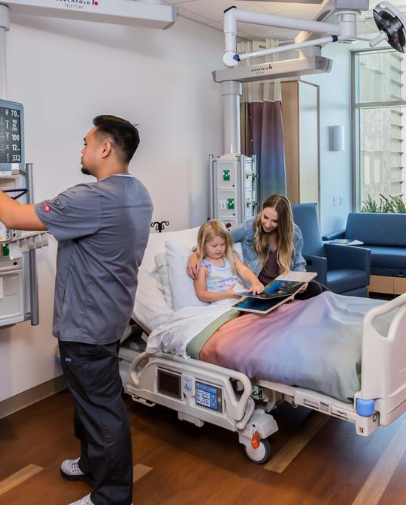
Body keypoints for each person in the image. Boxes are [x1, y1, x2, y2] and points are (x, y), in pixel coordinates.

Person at [0, 115, 153, 505]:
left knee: (101, 410)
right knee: (89, 399)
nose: (82, 149)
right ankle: (90, 464)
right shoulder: (138, 192)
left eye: (86, 142)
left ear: (105, 148)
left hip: (86, 326)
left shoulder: (91, 198)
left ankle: (112, 497)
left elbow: (13, 216)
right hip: (111, 317)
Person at [188, 194, 327, 300]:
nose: (267, 224)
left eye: (275, 221)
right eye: (265, 217)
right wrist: (196, 253)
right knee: (318, 293)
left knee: (318, 290)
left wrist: (301, 280)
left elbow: (298, 263)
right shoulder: (249, 227)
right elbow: (221, 239)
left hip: (284, 287)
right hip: (261, 290)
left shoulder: (294, 233)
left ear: (284, 222)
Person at [194, 219, 264, 303]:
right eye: (214, 246)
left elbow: (244, 270)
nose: (219, 249)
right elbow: (201, 294)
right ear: (203, 244)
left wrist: (256, 282)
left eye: (222, 244)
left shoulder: (230, 257)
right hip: (222, 302)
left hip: (240, 299)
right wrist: (227, 294)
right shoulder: (203, 266)